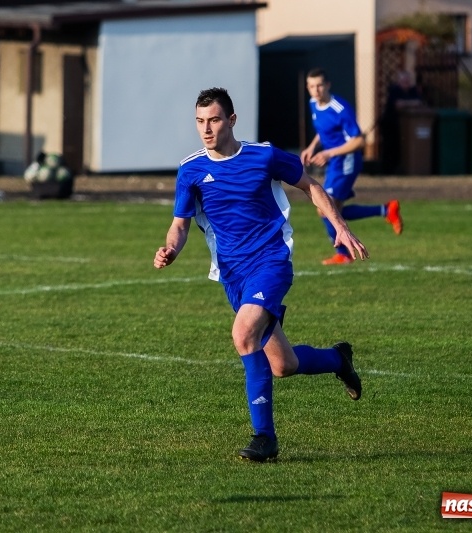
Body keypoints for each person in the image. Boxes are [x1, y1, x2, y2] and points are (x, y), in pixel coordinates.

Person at [154, 87, 369, 462]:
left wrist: (340, 226)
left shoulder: (263, 156)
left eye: (214, 120)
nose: (206, 129)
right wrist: (171, 248)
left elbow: (311, 185)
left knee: (243, 334)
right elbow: (180, 225)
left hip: (271, 261)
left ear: (232, 120)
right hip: (232, 274)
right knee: (283, 365)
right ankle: (338, 360)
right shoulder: (191, 170)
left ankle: (265, 438)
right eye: (200, 122)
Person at [300, 68, 403, 265]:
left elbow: (359, 141)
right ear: (308, 88)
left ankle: (343, 253)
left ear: (328, 85)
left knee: (325, 209)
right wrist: (312, 147)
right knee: (331, 209)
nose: (316, 90)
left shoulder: (340, 109)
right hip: (335, 161)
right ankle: (386, 210)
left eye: (320, 85)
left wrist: (328, 153)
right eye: (312, 86)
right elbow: (324, 130)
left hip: (347, 160)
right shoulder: (313, 103)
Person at [380, 69, 423, 174]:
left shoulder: (412, 90)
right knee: (390, 148)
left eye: (408, 81)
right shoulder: (395, 90)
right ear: (399, 82)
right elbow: (398, 104)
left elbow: (419, 102)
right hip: (391, 124)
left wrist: (406, 103)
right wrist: (411, 103)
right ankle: (388, 170)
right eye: (404, 81)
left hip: (405, 126)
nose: (406, 84)